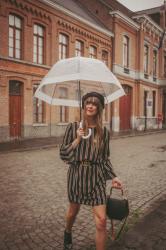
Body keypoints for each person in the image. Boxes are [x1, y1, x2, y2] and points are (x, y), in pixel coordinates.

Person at [60, 92, 122, 250]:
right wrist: (77, 139)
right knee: (73, 212)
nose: (90, 106)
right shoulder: (73, 127)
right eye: (88, 103)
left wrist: (114, 176)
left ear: (99, 108)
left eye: (94, 104)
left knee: (101, 221)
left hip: (96, 177)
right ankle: (68, 231)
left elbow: (104, 158)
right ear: (83, 106)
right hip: (77, 175)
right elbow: (63, 154)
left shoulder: (104, 132)